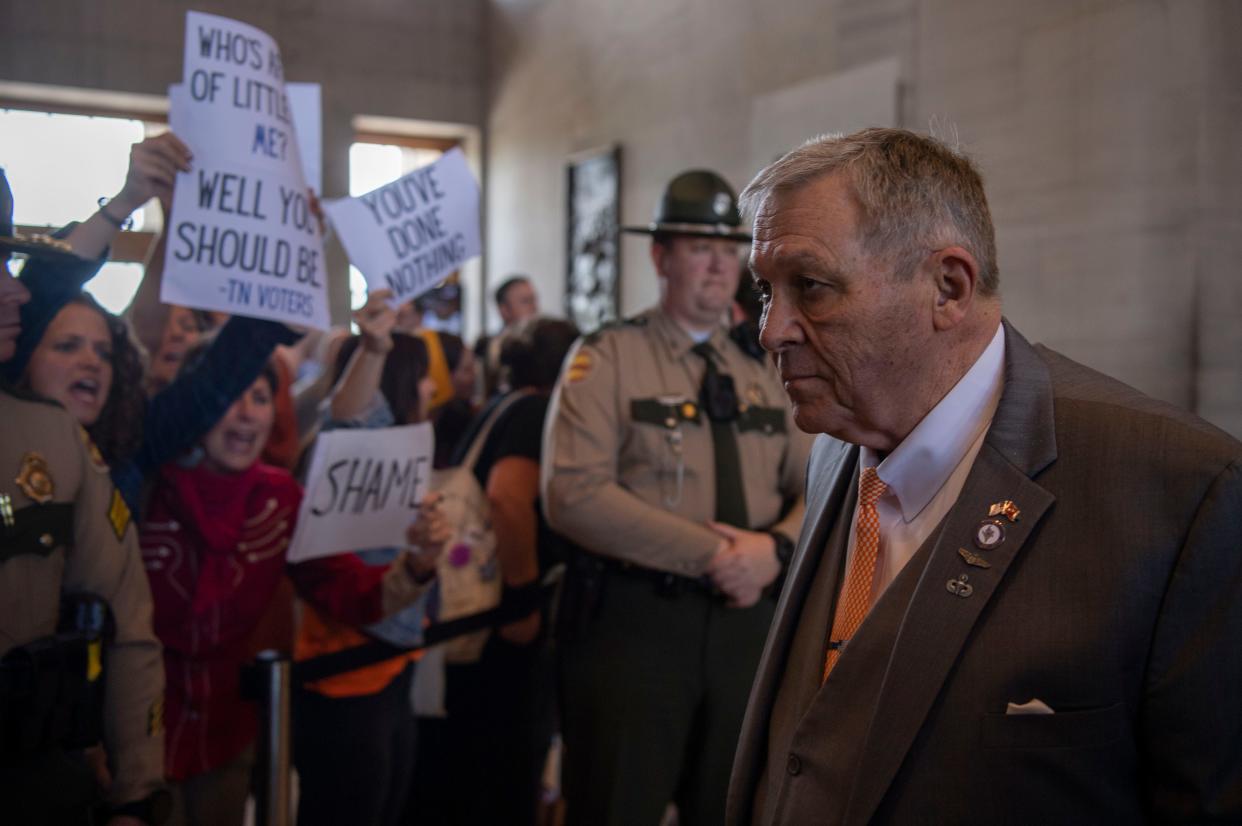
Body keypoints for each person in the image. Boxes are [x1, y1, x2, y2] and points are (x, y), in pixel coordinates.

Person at [726, 127, 1242, 825]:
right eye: (766, 291)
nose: (771, 329)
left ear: (948, 287)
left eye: (810, 288)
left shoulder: (1180, 491)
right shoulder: (836, 450)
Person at [542, 170, 812, 826]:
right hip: (637, 629)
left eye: (730, 249)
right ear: (660, 255)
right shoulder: (607, 357)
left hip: (747, 630)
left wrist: (775, 549)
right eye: (699, 247)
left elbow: (821, 483)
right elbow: (572, 493)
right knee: (615, 805)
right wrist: (719, 553)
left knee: (730, 807)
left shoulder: (762, 369)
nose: (719, 265)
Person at [140, 342, 446, 826]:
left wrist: (417, 566)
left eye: (260, 398)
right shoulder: (144, 485)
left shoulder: (277, 498)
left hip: (227, 733)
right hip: (136, 735)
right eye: (230, 396)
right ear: (197, 401)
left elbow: (348, 590)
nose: (246, 415)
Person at [0, 190, 168, 825]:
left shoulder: (52, 442)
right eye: (68, 347)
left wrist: (135, 794)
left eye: (101, 350)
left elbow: (128, 625)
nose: (15, 292)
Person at [410, 316, 579, 826]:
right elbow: (509, 499)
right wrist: (521, 603)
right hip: (497, 620)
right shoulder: (534, 411)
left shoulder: (502, 406)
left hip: (473, 620)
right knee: (500, 765)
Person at [475, 275, 539, 398]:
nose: (534, 307)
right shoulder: (490, 348)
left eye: (534, 300)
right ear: (504, 310)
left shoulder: (540, 345)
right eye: (526, 301)